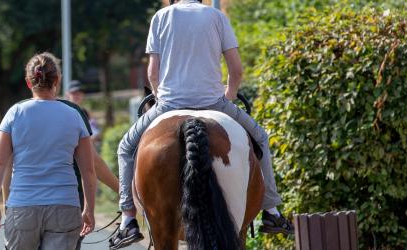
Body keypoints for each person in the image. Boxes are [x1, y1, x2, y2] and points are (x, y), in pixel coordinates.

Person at [109, 1, 293, 248]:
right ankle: (271, 211)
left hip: (168, 103)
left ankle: (128, 220)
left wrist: (159, 95)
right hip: (213, 102)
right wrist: (228, 96)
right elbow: (236, 70)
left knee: (125, 147)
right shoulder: (216, 16)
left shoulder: (161, 17)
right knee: (260, 138)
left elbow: (153, 73)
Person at [0, 52, 97, 250]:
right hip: (65, 205)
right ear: (58, 80)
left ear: (29, 83)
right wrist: (89, 208)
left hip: (23, 206)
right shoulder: (74, 116)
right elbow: (88, 170)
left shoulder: (15, 113)